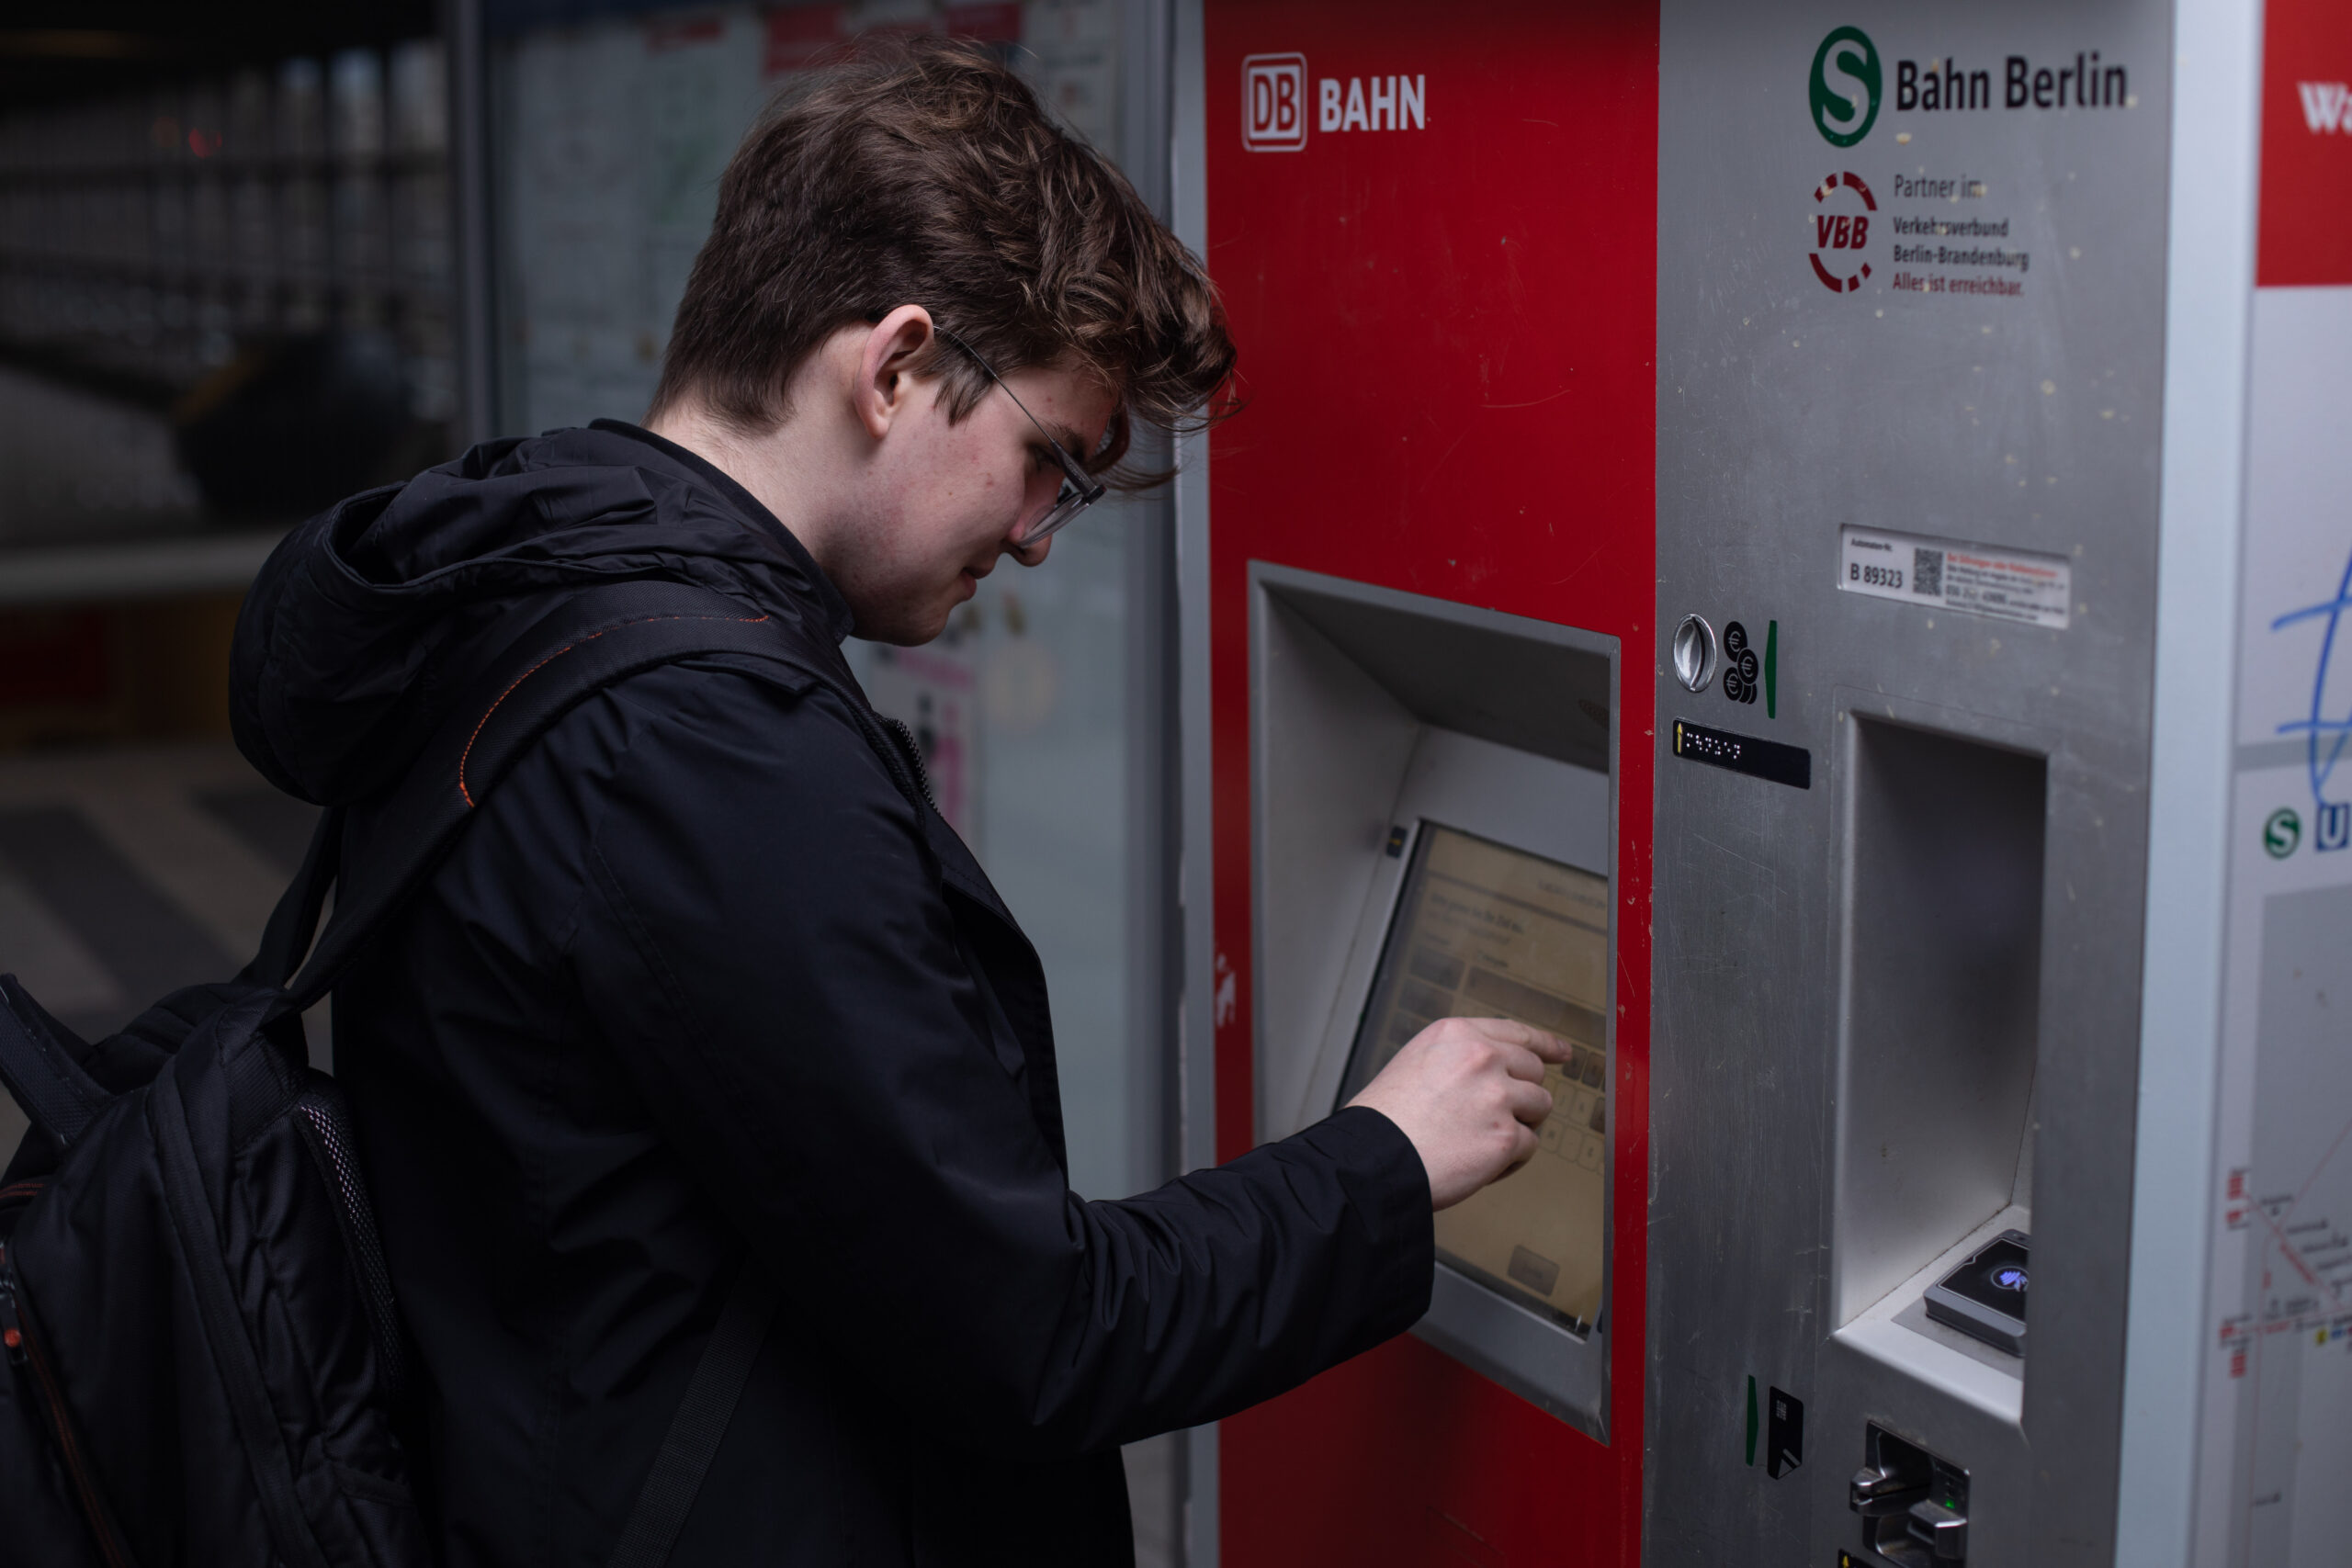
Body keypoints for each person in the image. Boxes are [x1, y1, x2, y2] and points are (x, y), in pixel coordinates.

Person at [229, 36, 1567, 1568]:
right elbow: (1037, 1328)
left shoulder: (534, 589)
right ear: (896, 368)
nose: (1040, 533)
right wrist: (1383, 1159)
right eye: (1047, 461)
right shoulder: (713, 752)